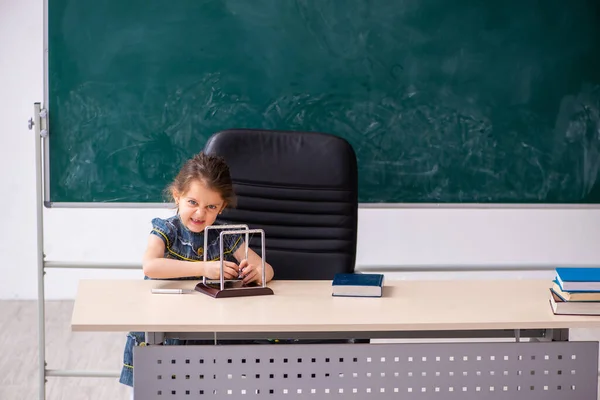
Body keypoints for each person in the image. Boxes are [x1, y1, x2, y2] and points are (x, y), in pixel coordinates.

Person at [119, 152, 274, 389]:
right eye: (192, 202)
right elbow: (151, 265)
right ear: (177, 196)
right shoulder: (166, 230)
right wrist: (205, 268)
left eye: (211, 206)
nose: (200, 214)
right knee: (153, 389)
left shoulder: (226, 236)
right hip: (163, 331)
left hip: (203, 334)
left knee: (200, 389)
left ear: (221, 208)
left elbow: (266, 268)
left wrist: (258, 273)